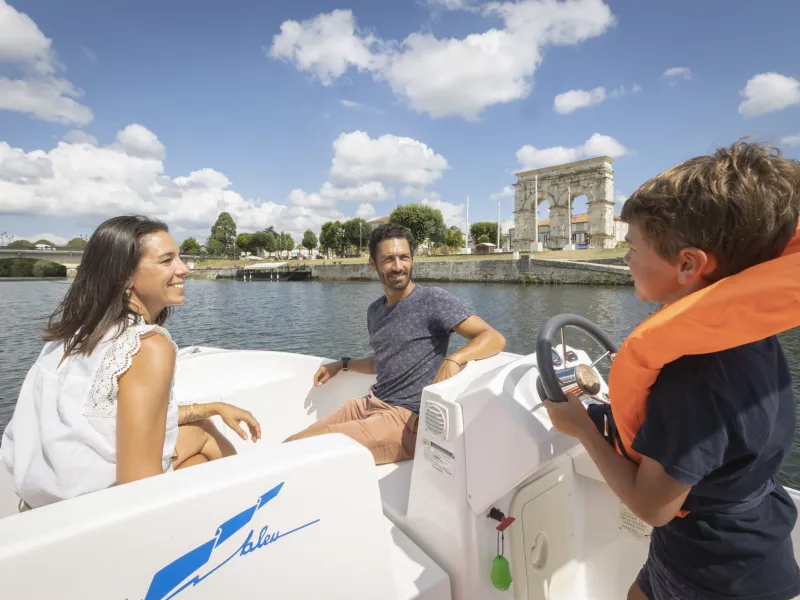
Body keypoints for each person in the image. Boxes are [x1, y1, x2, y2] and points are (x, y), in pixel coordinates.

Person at [544, 141, 800, 600]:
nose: (626, 260)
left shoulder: (694, 375)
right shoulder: (743, 334)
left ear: (688, 264)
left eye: (633, 248)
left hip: (716, 573)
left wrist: (580, 426)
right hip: (736, 543)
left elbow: (653, 507)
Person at [1, 215, 261, 510]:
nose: (184, 269)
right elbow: (138, 486)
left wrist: (209, 408)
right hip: (98, 515)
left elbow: (107, 419)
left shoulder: (72, 334)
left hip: (43, 504)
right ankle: (250, 511)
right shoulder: (146, 346)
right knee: (201, 443)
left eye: (179, 258)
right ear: (125, 277)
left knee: (200, 431)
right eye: (167, 261)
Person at [285, 222, 506, 464]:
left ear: (413, 259)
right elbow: (383, 362)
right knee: (295, 441)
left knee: (306, 452)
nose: (398, 266)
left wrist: (454, 358)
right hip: (371, 403)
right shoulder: (374, 311)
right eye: (389, 259)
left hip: (405, 420)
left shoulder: (433, 300)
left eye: (404, 257)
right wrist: (342, 365)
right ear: (373, 264)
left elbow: (493, 337)